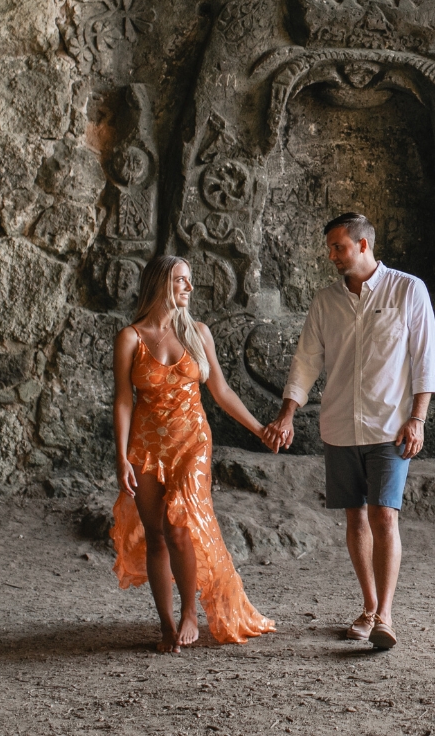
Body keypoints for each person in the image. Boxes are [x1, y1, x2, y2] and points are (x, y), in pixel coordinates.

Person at [265, 212, 435, 650]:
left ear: (363, 245)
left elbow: (424, 360)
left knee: (384, 514)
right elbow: (306, 361)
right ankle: (368, 605)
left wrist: (417, 419)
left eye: (339, 247)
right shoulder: (326, 300)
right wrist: (287, 415)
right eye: (331, 249)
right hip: (340, 424)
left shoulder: (408, 290)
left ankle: (385, 614)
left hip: (391, 426)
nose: (332, 256)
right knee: (355, 516)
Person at [111, 254, 280, 653]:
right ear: (159, 285)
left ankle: (190, 611)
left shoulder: (198, 333)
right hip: (147, 446)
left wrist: (258, 429)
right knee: (155, 535)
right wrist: (121, 457)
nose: (189, 288)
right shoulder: (130, 338)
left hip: (192, 442)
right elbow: (121, 400)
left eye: (189, 281)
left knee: (179, 525)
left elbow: (220, 392)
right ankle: (167, 625)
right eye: (181, 281)